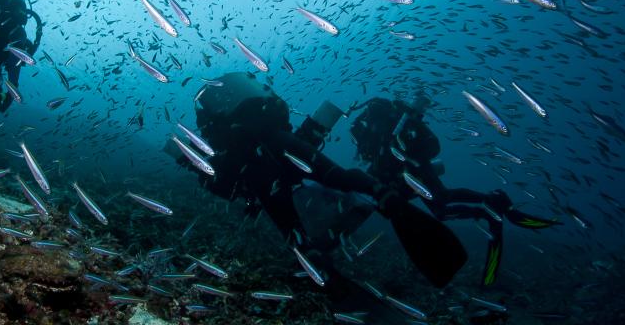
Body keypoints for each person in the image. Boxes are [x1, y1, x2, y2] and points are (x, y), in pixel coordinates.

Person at [169, 72, 468, 290]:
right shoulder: (260, 116)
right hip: (286, 143)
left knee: (290, 224)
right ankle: (383, 195)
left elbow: (224, 180)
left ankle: (313, 259)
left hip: (258, 167)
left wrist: (196, 163)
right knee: (338, 176)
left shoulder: (222, 129)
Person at [347, 94, 559, 286]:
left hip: (415, 171)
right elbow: (377, 160)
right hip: (408, 176)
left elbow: (398, 154)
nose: (366, 123)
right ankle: (489, 206)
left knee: (442, 204)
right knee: (443, 203)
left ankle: (491, 203)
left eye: (368, 118)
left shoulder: (383, 129)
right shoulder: (375, 134)